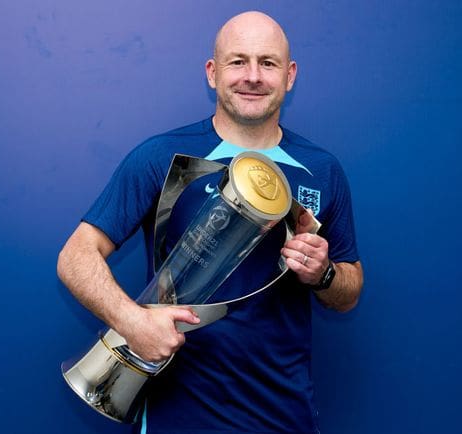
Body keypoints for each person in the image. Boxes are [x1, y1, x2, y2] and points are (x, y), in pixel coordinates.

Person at [58, 10, 363, 434]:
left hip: (282, 417)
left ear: (290, 75)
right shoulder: (160, 157)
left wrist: (323, 273)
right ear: (212, 72)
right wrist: (132, 321)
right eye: (238, 61)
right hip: (175, 417)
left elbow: (348, 291)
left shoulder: (322, 170)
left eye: (268, 63)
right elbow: (75, 256)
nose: (252, 76)